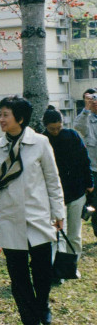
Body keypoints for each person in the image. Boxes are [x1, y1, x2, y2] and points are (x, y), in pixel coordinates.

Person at [0, 95, 65, 325]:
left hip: (37, 216)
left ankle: (42, 305)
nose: (1, 119)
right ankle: (28, 320)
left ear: (20, 118)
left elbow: (52, 179)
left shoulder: (40, 143)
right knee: (17, 275)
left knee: (42, 271)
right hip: (9, 218)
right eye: (0, 115)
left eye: (5, 115)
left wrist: (58, 212)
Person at [42, 107, 92, 270]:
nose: (56, 131)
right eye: (52, 129)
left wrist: (89, 183)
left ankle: (72, 264)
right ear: (46, 127)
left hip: (76, 191)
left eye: (59, 128)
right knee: (57, 233)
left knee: (74, 233)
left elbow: (85, 160)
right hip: (54, 194)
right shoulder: (42, 140)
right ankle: (58, 268)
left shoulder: (72, 136)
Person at [73, 88, 97, 237]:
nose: (94, 102)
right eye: (90, 99)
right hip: (94, 169)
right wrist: (86, 109)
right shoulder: (85, 118)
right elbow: (78, 126)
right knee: (96, 204)